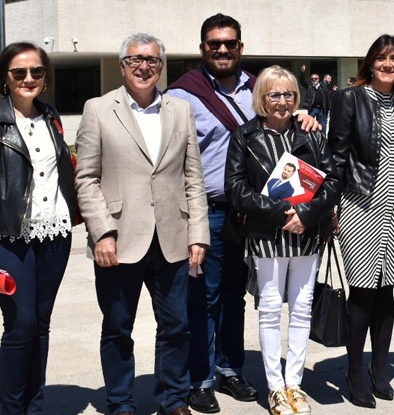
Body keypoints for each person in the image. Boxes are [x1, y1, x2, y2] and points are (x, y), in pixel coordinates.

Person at [165, 14, 320, 412]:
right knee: (204, 297)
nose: (222, 50)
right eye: (214, 44)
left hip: (255, 215)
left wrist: (303, 116)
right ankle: (200, 378)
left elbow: (281, 124)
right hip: (210, 210)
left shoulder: (260, 87)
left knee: (237, 295)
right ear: (202, 49)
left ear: (240, 47)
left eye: (229, 43)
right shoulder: (184, 94)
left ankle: (230, 368)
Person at [75, 33, 208, 415]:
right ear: (122, 65)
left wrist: (198, 233)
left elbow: (192, 177)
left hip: (172, 237)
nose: (143, 66)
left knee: (177, 327)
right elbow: (86, 178)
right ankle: (120, 402)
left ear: (161, 67)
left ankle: (174, 398)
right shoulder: (98, 109)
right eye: (135, 59)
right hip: (118, 241)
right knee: (118, 328)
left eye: (151, 60)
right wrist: (102, 231)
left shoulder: (180, 110)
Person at [0, 41, 77, 415]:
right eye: (19, 72)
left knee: (41, 324)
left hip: (54, 235)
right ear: (5, 78)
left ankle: (34, 406)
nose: (29, 78)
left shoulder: (51, 116)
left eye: (37, 72)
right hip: (9, 238)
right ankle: (12, 409)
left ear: (45, 77)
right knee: (20, 324)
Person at [225, 65, 340, 415]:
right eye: (274, 94)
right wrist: (280, 213)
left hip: (306, 236)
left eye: (289, 94)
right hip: (266, 236)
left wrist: (305, 216)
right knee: (271, 312)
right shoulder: (245, 136)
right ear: (262, 97)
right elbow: (235, 188)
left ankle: (295, 386)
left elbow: (332, 182)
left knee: (302, 310)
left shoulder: (311, 134)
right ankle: (275, 388)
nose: (282, 101)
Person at [328, 34, 394, 409]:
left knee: (387, 289)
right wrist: (330, 208)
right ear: (369, 62)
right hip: (360, 204)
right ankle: (355, 371)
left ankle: (380, 367)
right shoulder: (348, 99)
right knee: (362, 291)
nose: (388, 64)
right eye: (381, 58)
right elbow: (336, 157)